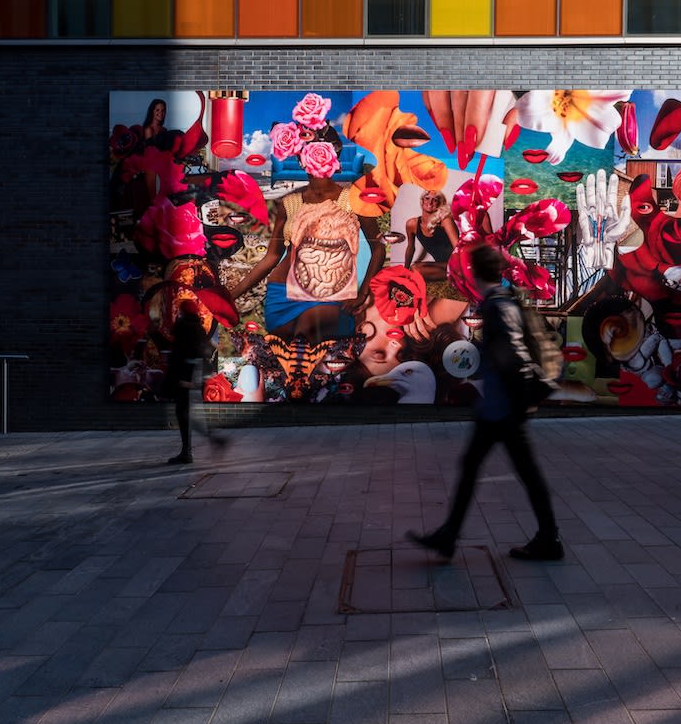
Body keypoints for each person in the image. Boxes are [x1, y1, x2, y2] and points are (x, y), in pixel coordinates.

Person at [406, 244, 563, 561]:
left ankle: (546, 538)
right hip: (502, 407)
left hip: (501, 409)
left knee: (501, 471)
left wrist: (514, 393)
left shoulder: (494, 306)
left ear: (473, 273)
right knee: (495, 469)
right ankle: (452, 535)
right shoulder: (506, 300)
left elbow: (511, 355)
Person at [229, 106, 385, 343]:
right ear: (299, 158)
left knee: (305, 343)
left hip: (331, 297)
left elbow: (379, 248)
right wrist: (233, 294)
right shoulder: (289, 202)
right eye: (306, 151)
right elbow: (272, 257)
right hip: (281, 296)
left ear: (334, 156)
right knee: (288, 365)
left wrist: (364, 293)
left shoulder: (352, 199)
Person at [163, 299, 225, 464]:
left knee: (184, 413)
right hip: (192, 376)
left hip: (185, 377)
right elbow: (205, 350)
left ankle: (189, 451)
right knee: (186, 413)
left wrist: (183, 379)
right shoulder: (198, 327)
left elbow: (182, 353)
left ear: (183, 311)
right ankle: (197, 446)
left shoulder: (184, 327)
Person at [404, 188, 459, 281]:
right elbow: (410, 247)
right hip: (441, 264)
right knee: (414, 267)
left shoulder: (445, 221)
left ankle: (460, 275)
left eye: (435, 200)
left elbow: (459, 248)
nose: (430, 202)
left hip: (456, 264)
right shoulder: (412, 224)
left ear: (439, 204)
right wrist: (404, 270)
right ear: (422, 201)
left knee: (416, 270)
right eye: (427, 198)